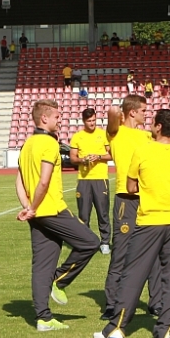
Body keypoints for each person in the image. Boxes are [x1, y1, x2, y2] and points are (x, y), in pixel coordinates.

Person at [95, 109, 170, 338]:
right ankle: (164, 329)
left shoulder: (143, 150)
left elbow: (130, 187)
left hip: (150, 219)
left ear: (158, 127)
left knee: (133, 273)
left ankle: (117, 327)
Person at [17, 100, 101, 331]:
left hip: (37, 213)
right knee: (90, 242)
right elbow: (43, 180)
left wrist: (26, 206)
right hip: (52, 209)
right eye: (56, 117)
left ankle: (43, 318)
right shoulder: (49, 143)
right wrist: (33, 206)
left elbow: (19, 180)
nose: (59, 121)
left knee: (42, 264)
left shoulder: (27, 145)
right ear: (44, 118)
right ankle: (60, 279)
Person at [102, 95, 162, 321]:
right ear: (132, 112)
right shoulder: (116, 132)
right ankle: (112, 304)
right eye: (143, 110)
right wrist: (118, 109)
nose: (146, 114)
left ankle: (156, 302)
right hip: (125, 200)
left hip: (147, 199)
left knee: (154, 252)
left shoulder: (147, 135)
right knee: (121, 252)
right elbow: (111, 114)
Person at [70, 108, 112, 255]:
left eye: (94, 120)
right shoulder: (77, 137)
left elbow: (112, 155)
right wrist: (83, 160)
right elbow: (73, 158)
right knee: (84, 214)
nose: (92, 123)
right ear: (83, 121)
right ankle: (86, 243)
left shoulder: (103, 134)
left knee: (103, 213)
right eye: (89, 121)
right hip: (84, 180)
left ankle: (105, 242)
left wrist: (98, 157)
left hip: (100, 179)